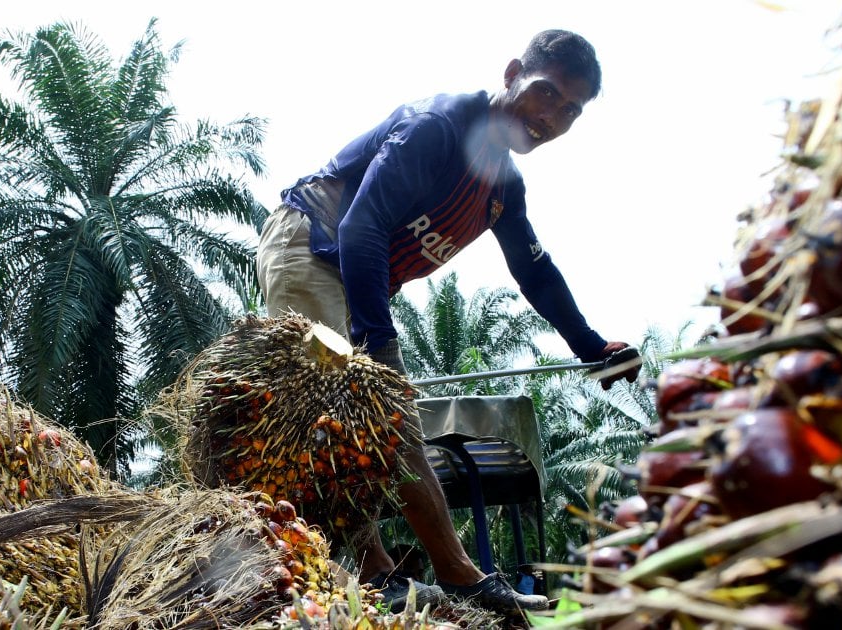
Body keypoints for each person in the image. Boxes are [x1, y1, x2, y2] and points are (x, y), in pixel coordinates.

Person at [256, 29, 639, 614]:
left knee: (368, 412)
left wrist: (591, 346)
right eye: (547, 94)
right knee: (365, 403)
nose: (552, 118)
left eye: (571, 111)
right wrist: (378, 343)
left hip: (358, 272)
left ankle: (382, 567)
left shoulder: (504, 186)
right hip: (312, 243)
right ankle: (455, 572)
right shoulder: (436, 127)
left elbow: (535, 273)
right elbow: (361, 227)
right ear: (512, 73)